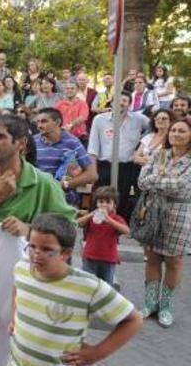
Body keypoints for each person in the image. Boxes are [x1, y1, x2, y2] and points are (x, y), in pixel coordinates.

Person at [10, 213, 141, 365]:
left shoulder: (88, 286)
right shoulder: (21, 268)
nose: (36, 255)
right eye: (32, 246)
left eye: (47, 249)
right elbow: (17, 288)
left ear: (66, 253)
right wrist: (14, 318)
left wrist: (97, 353)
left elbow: (134, 320)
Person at [0, 115, 76, 237]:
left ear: (21, 143)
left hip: (26, 258)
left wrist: (30, 231)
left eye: (0, 137)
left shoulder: (44, 183)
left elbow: (68, 228)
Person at [136, 117, 191, 328]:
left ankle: (166, 306)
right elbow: (142, 182)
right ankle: (150, 303)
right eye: (173, 130)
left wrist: (156, 180)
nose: (176, 134)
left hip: (180, 213)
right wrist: (161, 181)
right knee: (152, 257)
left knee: (173, 261)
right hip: (153, 212)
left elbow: (182, 187)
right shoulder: (159, 154)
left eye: (182, 131)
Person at [88, 92, 150, 220]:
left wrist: (143, 144)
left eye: (125, 101)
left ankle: (116, 233)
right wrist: (93, 170)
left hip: (126, 167)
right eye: (118, 100)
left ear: (129, 104)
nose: (121, 103)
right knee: (98, 199)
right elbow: (93, 147)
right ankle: (92, 230)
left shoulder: (138, 119)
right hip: (105, 166)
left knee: (121, 200)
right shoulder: (100, 119)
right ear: (111, 102)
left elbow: (155, 127)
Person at [33, 108, 97, 207]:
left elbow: (92, 175)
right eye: (37, 122)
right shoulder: (33, 142)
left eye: (44, 121)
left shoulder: (72, 142)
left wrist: (64, 184)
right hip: (38, 199)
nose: (39, 126)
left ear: (57, 122)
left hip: (65, 201)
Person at [77, 186, 128, 286]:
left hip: (108, 259)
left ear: (114, 205)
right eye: (100, 202)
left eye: (108, 202)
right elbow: (78, 223)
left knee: (106, 286)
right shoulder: (92, 216)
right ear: (96, 203)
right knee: (88, 284)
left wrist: (110, 220)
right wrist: (90, 215)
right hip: (90, 257)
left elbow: (126, 230)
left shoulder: (116, 218)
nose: (104, 205)